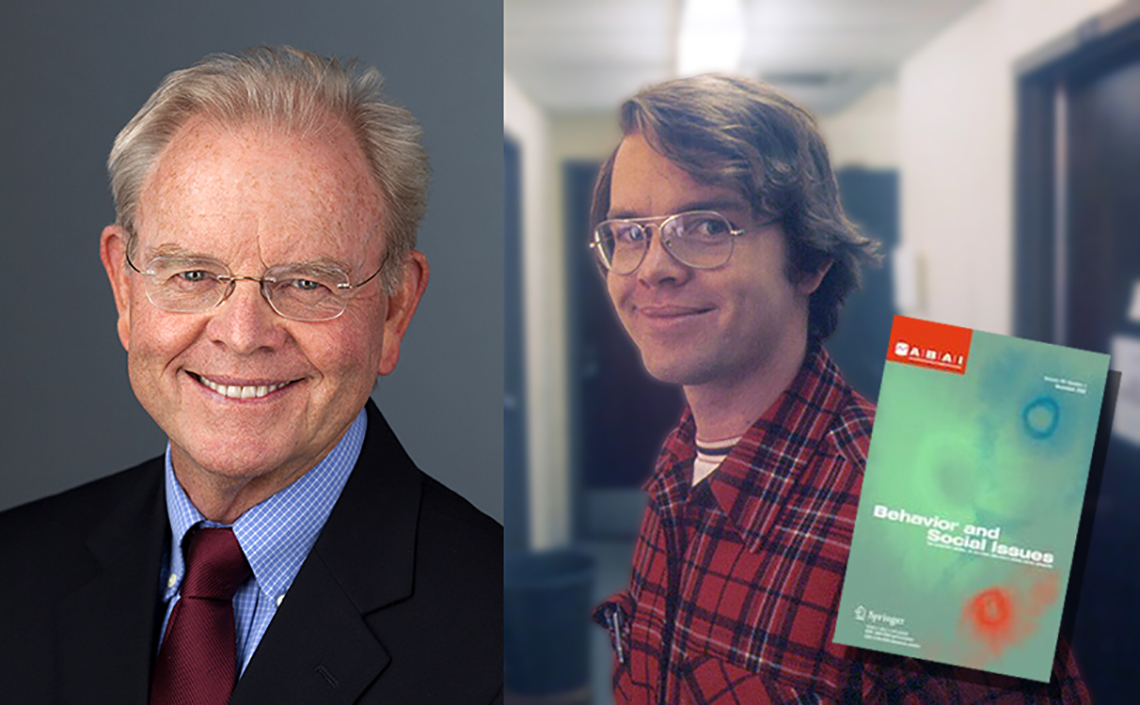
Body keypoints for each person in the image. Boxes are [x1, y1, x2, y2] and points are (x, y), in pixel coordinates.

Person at [0, 47, 502, 704]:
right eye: (193, 275)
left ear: (395, 308)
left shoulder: (496, 633)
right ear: (124, 290)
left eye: (305, 282)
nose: (241, 335)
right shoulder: (15, 570)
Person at [589, 74, 1089, 703]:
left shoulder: (936, 514)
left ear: (809, 258)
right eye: (629, 233)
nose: (654, 268)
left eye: (708, 226)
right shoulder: (676, 464)